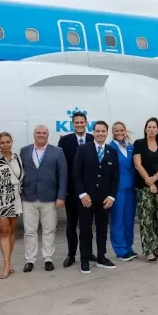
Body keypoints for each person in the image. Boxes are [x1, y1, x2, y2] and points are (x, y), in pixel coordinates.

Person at [19, 125, 67, 272]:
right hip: (29, 196)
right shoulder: (24, 150)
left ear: (48, 135)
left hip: (50, 197)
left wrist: (61, 196)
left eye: (44, 133)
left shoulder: (57, 152)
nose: (41, 135)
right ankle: (30, 260)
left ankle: (48, 258)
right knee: (30, 230)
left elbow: (63, 175)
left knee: (49, 229)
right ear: (34, 134)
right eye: (38, 133)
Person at [74, 121, 119, 273]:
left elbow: (115, 177)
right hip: (86, 199)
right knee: (86, 230)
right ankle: (85, 260)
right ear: (93, 132)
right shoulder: (83, 149)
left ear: (107, 133)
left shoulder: (112, 151)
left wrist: (112, 196)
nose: (100, 134)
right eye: (97, 131)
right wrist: (82, 194)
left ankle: (101, 257)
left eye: (103, 131)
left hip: (104, 200)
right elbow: (76, 174)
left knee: (102, 230)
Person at [57, 111, 95, 266]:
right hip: (72, 191)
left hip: (90, 191)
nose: (79, 125)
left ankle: (88, 252)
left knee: (87, 225)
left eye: (82, 122)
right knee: (71, 225)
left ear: (86, 123)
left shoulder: (93, 139)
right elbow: (61, 168)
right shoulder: (65, 141)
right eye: (77, 122)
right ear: (73, 124)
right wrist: (63, 190)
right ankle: (71, 255)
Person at [0, 132, 24, 279]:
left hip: (15, 199)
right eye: (2, 143)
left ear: (11, 142)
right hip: (1, 200)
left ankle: (9, 262)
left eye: (8, 142)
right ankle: (6, 265)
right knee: (4, 231)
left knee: (12, 231)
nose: (5, 145)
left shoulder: (17, 158)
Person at [133, 117, 158, 262]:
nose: (151, 129)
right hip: (144, 187)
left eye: (154, 127)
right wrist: (149, 182)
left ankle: (156, 248)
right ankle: (148, 251)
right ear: (145, 129)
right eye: (149, 127)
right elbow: (138, 164)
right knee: (146, 219)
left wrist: (155, 178)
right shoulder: (139, 144)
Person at [108, 121, 138, 261]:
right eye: (116, 131)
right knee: (118, 219)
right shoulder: (109, 148)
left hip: (131, 188)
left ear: (125, 131)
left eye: (122, 130)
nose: (119, 133)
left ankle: (129, 247)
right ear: (112, 133)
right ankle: (120, 249)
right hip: (118, 189)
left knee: (129, 219)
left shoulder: (131, 147)